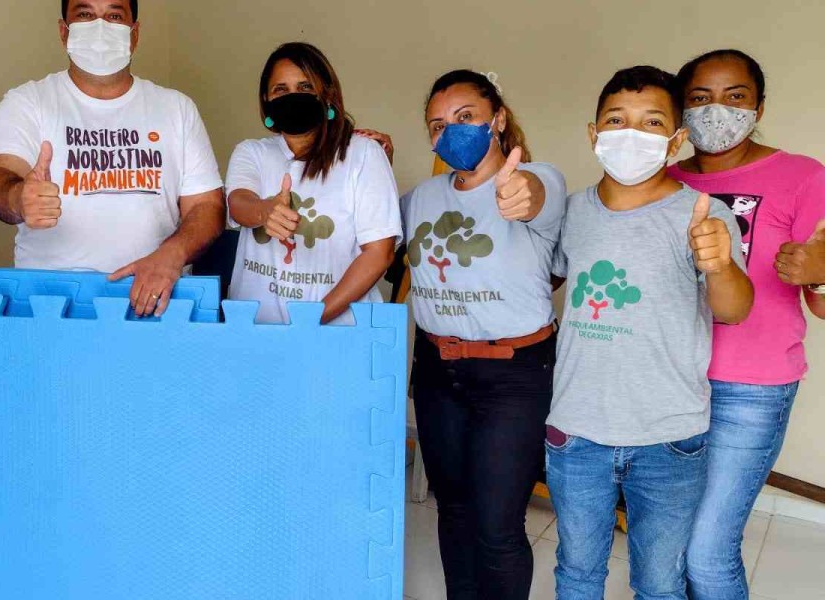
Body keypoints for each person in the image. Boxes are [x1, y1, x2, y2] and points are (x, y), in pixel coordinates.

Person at [547, 66, 753, 600]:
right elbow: (541, 280)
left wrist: (721, 265)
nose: (631, 134)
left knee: (660, 582)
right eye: (617, 120)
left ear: (676, 139)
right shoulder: (572, 212)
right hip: (577, 430)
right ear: (594, 135)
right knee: (577, 571)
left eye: (651, 122)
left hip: (669, 435)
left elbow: (734, 310)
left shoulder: (703, 216)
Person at [401, 70, 566, 600]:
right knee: (454, 511)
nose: (451, 131)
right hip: (436, 369)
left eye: (465, 117)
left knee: (497, 526)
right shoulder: (420, 199)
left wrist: (522, 193)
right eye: (437, 124)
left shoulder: (539, 178)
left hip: (513, 376)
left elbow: (536, 197)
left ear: (497, 119)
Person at [668, 49, 825, 600]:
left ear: (759, 105)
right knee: (668, 545)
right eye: (700, 99)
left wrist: (823, 272)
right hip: (667, 384)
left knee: (708, 554)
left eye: (735, 97)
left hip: (750, 390)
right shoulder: (661, 179)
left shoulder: (803, 176)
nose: (718, 112)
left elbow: (822, 303)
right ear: (681, 111)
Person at [0, 0, 225, 318]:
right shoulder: (27, 103)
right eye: (85, 15)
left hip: (154, 300)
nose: (100, 27)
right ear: (63, 32)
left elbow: (208, 207)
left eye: (114, 16)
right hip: (52, 305)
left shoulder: (176, 109)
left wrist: (172, 254)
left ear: (134, 34)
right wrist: (18, 198)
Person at [225, 42, 399, 325]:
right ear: (266, 101)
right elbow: (238, 203)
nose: (293, 96)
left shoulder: (364, 153)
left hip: (337, 335)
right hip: (256, 333)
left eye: (305, 87)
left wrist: (311, 321)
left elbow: (379, 253)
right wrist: (264, 211)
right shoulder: (251, 151)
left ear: (327, 96)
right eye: (280, 89)